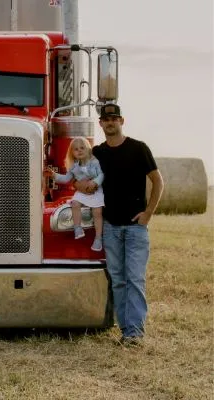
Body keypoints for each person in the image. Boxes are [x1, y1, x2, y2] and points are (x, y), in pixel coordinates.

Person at [77, 104, 164, 346]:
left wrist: (148, 213)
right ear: (101, 123)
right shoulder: (98, 153)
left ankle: (134, 333)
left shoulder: (138, 148)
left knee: (135, 278)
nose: (110, 123)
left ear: (122, 121)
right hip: (111, 228)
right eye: (105, 119)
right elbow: (81, 179)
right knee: (117, 279)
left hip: (136, 228)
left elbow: (158, 182)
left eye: (114, 118)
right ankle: (127, 330)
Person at [45, 136, 104, 251]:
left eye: (82, 148)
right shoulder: (74, 167)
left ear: (88, 149)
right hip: (82, 193)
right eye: (76, 149)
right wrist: (53, 175)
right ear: (72, 153)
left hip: (96, 191)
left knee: (97, 212)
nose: (79, 151)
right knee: (75, 203)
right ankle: (78, 228)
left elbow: (102, 174)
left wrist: (95, 182)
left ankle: (98, 238)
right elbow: (66, 179)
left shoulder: (95, 163)